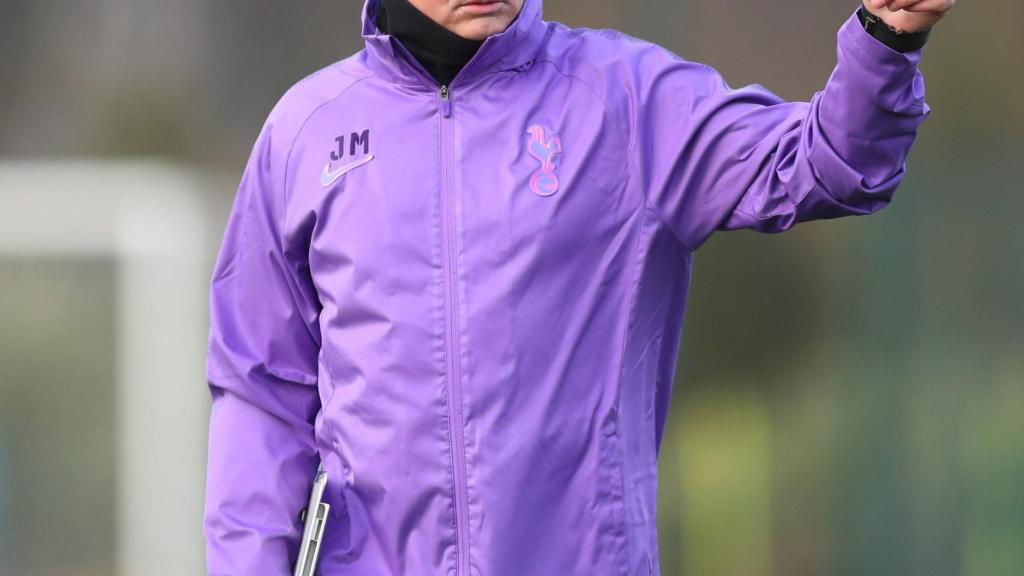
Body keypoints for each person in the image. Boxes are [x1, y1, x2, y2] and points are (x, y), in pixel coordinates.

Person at [202, 0, 955, 573]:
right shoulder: (305, 130)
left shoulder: (625, 99)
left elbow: (826, 164)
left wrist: (885, 40)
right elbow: (261, 389)